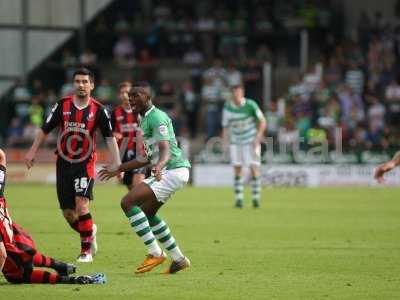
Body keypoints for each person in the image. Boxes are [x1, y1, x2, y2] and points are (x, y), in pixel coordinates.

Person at [24, 68, 121, 263]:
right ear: (73, 84)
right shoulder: (62, 105)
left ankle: (86, 252)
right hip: (63, 163)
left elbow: (109, 138)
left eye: (85, 81)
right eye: (77, 81)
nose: (81, 85)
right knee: (69, 213)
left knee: (82, 205)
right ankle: (89, 231)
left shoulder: (99, 110)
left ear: (92, 85)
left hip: (85, 163)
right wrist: (32, 151)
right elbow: (45, 129)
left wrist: (117, 162)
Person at [99, 81, 191, 274]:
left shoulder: (156, 117)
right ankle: (179, 259)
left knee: (127, 202)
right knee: (147, 213)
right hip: (171, 171)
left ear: (148, 97)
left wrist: (159, 165)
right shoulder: (144, 118)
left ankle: (155, 252)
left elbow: (165, 149)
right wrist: (119, 168)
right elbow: (146, 157)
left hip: (172, 170)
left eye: (136, 95)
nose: (131, 99)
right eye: (129, 96)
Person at [0, 149, 105, 284]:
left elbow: (2, 254)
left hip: (8, 239)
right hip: (11, 235)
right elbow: (2, 155)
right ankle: (62, 269)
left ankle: (67, 271)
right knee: (21, 263)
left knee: (18, 268)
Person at [222, 85, 267, 208]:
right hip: (236, 142)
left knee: (254, 167)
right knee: (237, 168)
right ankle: (239, 199)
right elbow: (225, 126)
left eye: (239, 92)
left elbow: (263, 120)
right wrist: (225, 142)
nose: (236, 94)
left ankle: (255, 199)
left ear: (242, 93)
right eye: (234, 92)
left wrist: (258, 137)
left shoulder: (251, 104)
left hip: (251, 141)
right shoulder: (227, 107)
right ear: (232, 94)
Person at [111, 81, 146, 190]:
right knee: (131, 190)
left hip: (140, 153)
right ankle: (141, 206)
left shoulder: (141, 110)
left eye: (127, 92)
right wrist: (115, 135)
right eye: (122, 92)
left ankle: (145, 205)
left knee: (137, 187)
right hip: (123, 154)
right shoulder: (115, 113)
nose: (125, 95)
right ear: (119, 95)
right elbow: (110, 135)